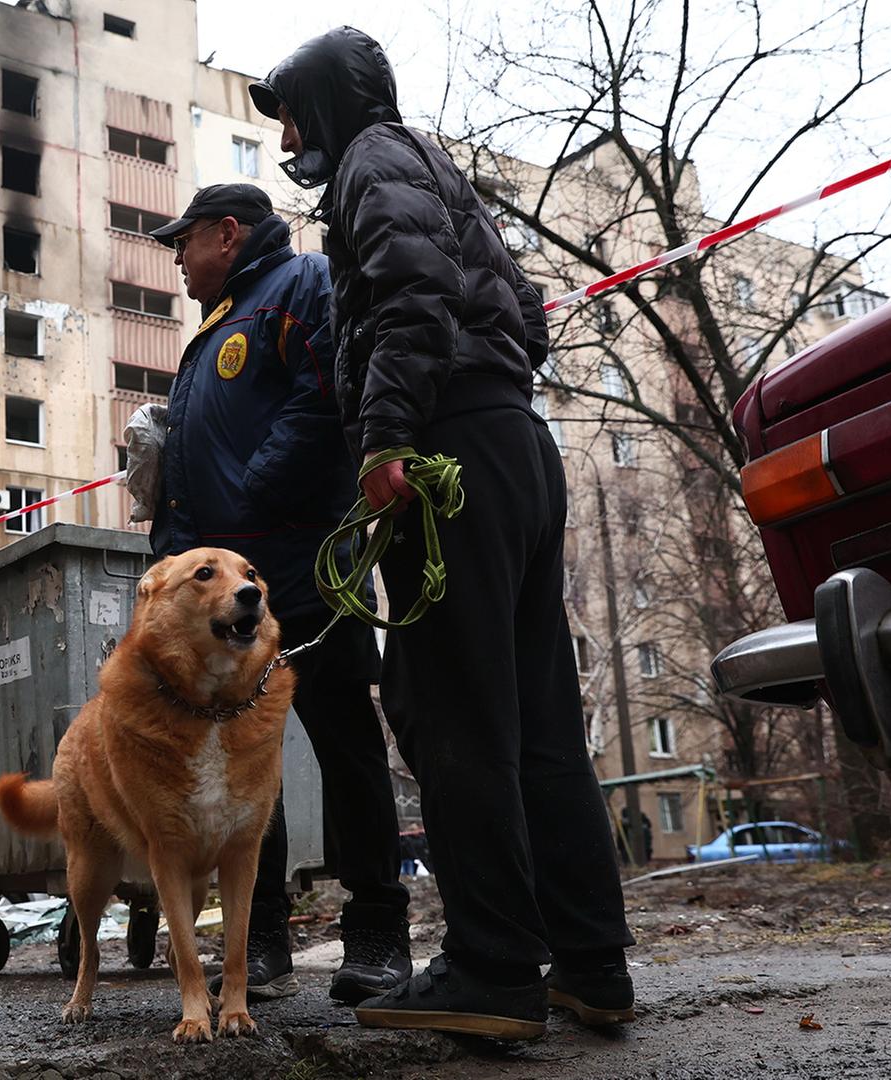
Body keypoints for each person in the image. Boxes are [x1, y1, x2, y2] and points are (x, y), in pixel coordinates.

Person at [251, 27, 635, 1037]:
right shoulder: (433, 166)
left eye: (292, 111)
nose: (288, 135)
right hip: (510, 442)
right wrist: (479, 389)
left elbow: (419, 292)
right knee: (539, 719)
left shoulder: (375, 161)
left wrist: (386, 434)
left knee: (446, 707)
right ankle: (591, 962)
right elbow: (526, 313)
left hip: (446, 451)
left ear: (330, 102)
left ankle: (494, 967)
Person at [143, 182, 413, 1005]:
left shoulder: (301, 284)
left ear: (228, 233)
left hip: (300, 566)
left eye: (182, 242)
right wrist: (172, 544)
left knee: (346, 746)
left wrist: (255, 488)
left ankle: (376, 937)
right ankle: (258, 944)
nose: (177, 260)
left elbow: (322, 394)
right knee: (239, 763)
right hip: (224, 596)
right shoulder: (215, 326)